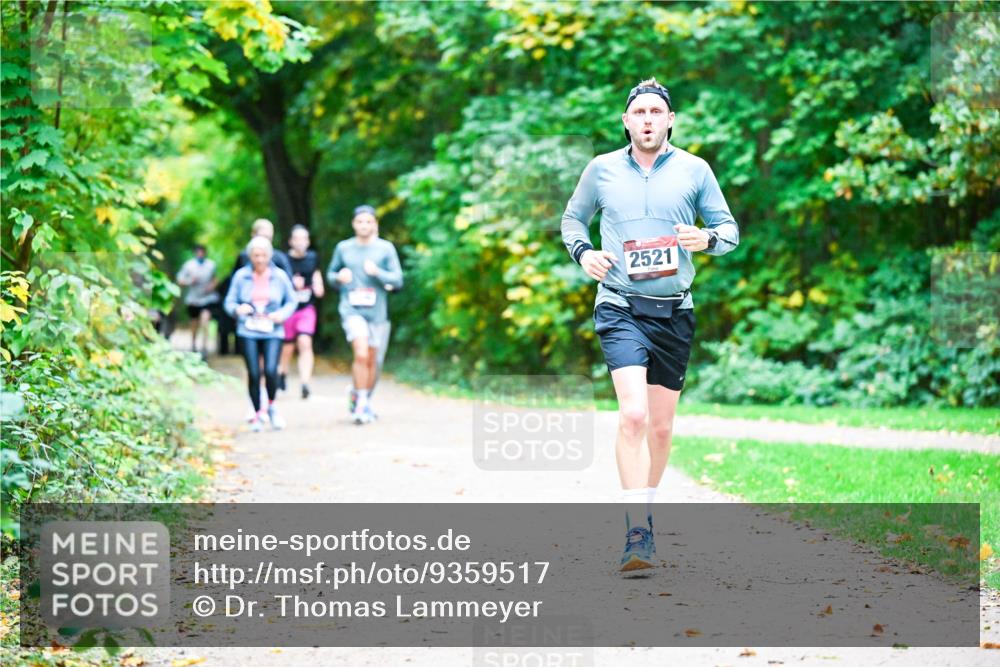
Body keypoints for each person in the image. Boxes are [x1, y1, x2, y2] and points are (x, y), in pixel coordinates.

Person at [560, 78, 740, 573]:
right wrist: (585, 253)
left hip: (674, 311)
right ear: (626, 120)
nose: (646, 119)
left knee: (660, 429)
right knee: (634, 416)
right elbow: (572, 221)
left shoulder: (694, 170)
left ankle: (646, 512)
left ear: (669, 120)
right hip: (619, 304)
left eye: (655, 112)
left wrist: (705, 240)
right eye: (638, 111)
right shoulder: (601, 170)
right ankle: (636, 532)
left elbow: (730, 232)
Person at [326, 205, 403, 425]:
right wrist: (339, 277)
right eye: (360, 222)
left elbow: (398, 280)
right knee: (360, 354)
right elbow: (330, 275)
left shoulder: (385, 249)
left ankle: (362, 397)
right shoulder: (343, 248)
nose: (364, 225)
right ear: (353, 224)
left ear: (375, 224)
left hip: (377, 313)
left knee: (374, 360)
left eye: (368, 222)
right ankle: (360, 404)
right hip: (351, 310)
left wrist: (377, 272)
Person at [224, 236, 297, 432]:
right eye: (256, 255)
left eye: (263, 254)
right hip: (248, 329)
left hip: (273, 330)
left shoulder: (279, 276)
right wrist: (237, 310)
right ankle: (257, 413)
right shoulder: (241, 276)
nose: (259, 259)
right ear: (250, 256)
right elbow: (229, 302)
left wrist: (281, 314)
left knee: (271, 371)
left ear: (269, 255)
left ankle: (271, 405)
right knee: (254, 373)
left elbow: (292, 300)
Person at [278, 225, 325, 399]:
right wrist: (291, 284)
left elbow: (316, 274)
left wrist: (318, 285)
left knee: (305, 342)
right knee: (287, 347)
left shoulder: (313, 258)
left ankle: (305, 383)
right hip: (288, 309)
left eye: (304, 238)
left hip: (306, 308)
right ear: (291, 241)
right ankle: (282, 372)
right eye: (297, 238)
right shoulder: (283, 260)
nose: (301, 242)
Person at [175, 244, 219, 358]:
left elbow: (215, 279)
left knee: (205, 320)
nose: (200, 254)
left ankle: (204, 347)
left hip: (207, 298)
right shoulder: (188, 266)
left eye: (202, 252)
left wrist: (211, 287)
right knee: (194, 323)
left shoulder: (211, 265)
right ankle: (193, 344)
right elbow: (180, 280)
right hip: (193, 299)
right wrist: (190, 281)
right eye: (198, 252)